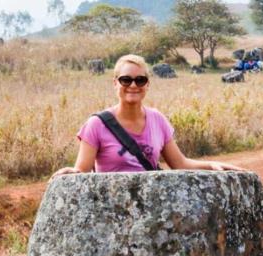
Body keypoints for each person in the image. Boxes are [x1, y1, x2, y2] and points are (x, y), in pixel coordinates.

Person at [53, 54, 241, 177]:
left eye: (140, 80)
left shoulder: (157, 120)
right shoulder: (96, 124)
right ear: (115, 83)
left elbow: (179, 163)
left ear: (147, 84)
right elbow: (82, 171)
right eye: (126, 80)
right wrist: (72, 172)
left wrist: (213, 165)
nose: (133, 85)